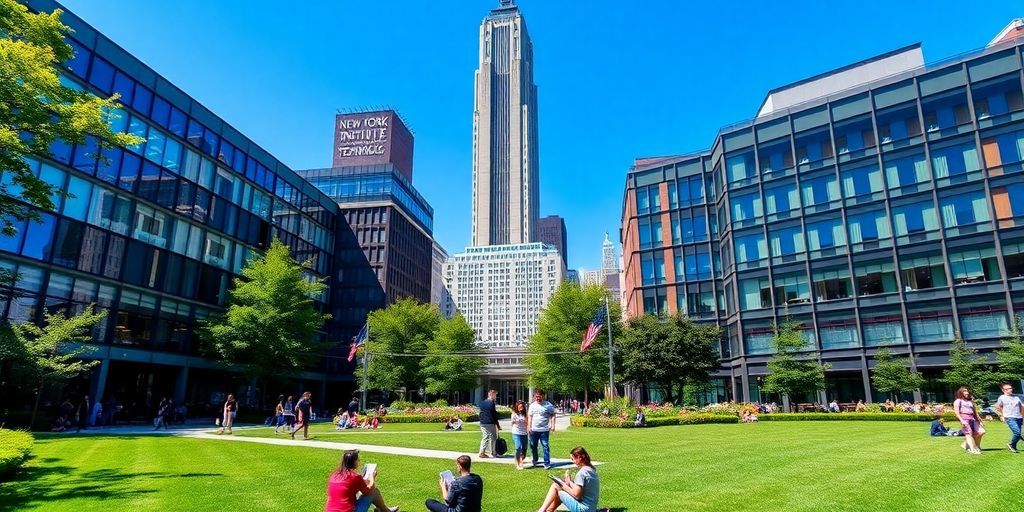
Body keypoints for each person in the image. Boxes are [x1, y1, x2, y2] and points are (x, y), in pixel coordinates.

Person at [325, 449, 400, 512]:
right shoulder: (354, 476)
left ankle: (382, 509)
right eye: (358, 460)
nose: (359, 461)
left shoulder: (334, 474)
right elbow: (369, 491)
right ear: (354, 462)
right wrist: (372, 478)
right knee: (373, 491)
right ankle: (386, 510)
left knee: (367, 492)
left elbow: (348, 489)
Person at [537, 446, 600, 512]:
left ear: (579, 457)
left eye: (573, 459)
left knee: (557, 487)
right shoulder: (591, 470)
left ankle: (542, 510)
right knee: (557, 486)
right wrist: (569, 482)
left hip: (583, 509)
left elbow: (577, 495)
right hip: (591, 509)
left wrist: (562, 485)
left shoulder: (582, 473)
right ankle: (549, 510)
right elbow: (580, 490)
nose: (573, 461)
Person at [527, 390, 557, 469]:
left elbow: (553, 415)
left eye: (539, 396)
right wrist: (529, 426)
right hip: (534, 430)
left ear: (543, 396)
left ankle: (547, 463)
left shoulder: (548, 405)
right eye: (536, 397)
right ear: (534, 397)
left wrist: (553, 425)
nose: (538, 398)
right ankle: (535, 459)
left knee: (545, 446)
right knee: (533, 446)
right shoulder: (532, 406)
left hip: (544, 430)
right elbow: (530, 417)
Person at [953, 386, 985, 455]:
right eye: (964, 391)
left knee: (981, 431)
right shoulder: (958, 401)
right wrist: (962, 421)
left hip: (972, 419)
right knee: (969, 433)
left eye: (967, 391)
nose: (967, 392)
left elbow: (975, 412)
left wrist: (979, 420)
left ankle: (969, 445)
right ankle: (972, 449)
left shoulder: (970, 401)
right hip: (964, 418)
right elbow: (957, 413)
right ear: (961, 392)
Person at [995, 382, 1024, 453]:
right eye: (1007, 389)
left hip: (1018, 417)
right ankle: (1011, 444)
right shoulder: (1002, 397)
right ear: (1003, 390)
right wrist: (1001, 415)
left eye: (1010, 388)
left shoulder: (1016, 397)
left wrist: (1022, 416)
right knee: (1017, 432)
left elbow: (1021, 407)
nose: (1009, 390)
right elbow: (997, 407)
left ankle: (1013, 446)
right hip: (1009, 417)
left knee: (1018, 433)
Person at [477, 390, 500, 458]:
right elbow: (493, 414)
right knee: (493, 437)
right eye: (495, 395)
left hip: (482, 422)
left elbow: (481, 413)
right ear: (491, 394)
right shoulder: (491, 402)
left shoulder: (482, 402)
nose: (496, 397)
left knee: (485, 436)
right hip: (489, 422)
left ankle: (482, 451)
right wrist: (497, 424)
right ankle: (493, 452)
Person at [510, 400, 529, 470]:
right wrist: (514, 421)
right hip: (516, 432)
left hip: (524, 433)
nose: (521, 408)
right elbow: (511, 423)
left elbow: (528, 423)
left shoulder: (525, 414)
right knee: (518, 448)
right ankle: (518, 463)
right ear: (517, 407)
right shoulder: (514, 414)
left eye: (522, 407)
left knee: (524, 448)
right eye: (520, 406)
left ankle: (521, 459)